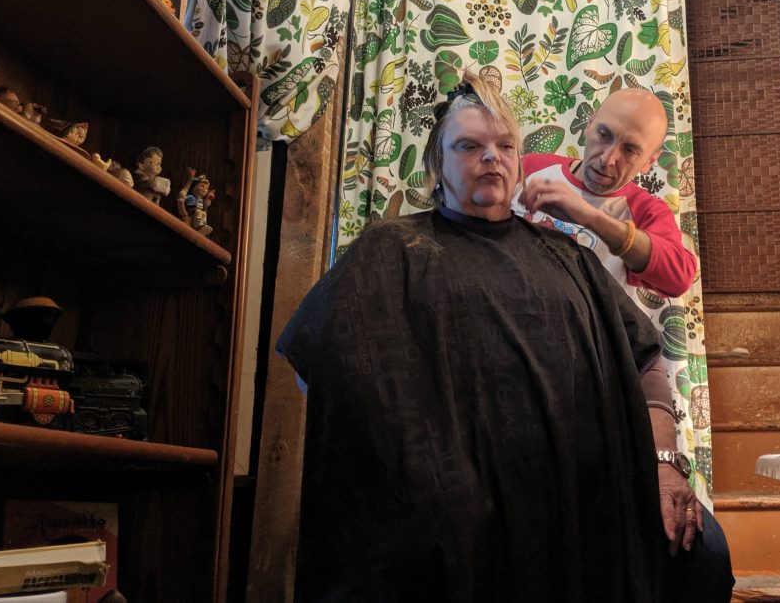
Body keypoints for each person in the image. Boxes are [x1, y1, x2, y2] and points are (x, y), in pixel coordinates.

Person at [277, 75, 674, 601]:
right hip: (435, 522)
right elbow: (325, 375)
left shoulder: (568, 258)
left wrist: (665, 466)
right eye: (468, 146)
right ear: (437, 165)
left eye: (504, 145)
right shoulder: (388, 249)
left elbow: (648, 358)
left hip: (567, 511)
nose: (491, 157)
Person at [518, 88, 734, 600]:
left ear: (652, 159)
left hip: (592, 389)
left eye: (631, 150)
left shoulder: (643, 208)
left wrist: (589, 215)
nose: (609, 158)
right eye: (603, 135)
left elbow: (678, 273)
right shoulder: (530, 168)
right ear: (588, 124)